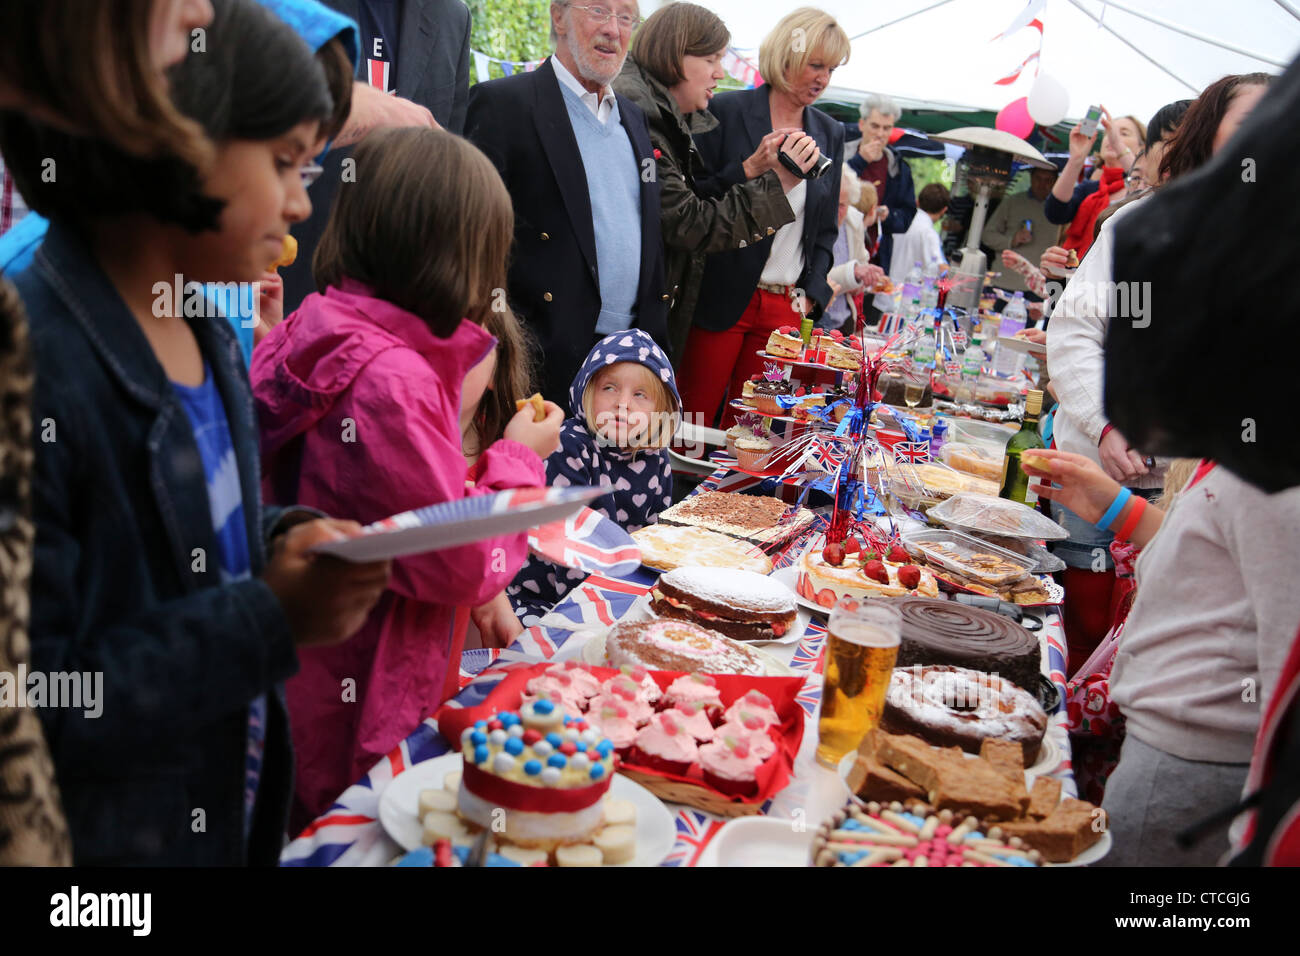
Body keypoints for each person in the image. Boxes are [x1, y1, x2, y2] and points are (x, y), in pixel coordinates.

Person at [1, 0, 391, 866]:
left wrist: (285, 540)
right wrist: (267, 619)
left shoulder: (208, 319)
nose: (299, 203)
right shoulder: (38, 356)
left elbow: (179, 536)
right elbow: (42, 700)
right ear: (177, 130)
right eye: (287, 162)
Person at [252, 127, 562, 830]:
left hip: (302, 674)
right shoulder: (395, 378)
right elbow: (456, 561)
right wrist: (518, 459)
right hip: (360, 692)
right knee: (348, 835)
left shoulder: (316, 321)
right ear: (461, 256)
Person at [1045, 76, 1271, 688]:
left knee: (1155, 655)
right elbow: (1076, 334)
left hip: (1203, 505)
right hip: (1103, 471)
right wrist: (1109, 420)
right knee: (1080, 636)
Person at [1021, 449, 1300, 865]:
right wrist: (1116, 508)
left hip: (1193, 763)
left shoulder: (1274, 475)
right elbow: (1213, 553)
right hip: (1170, 749)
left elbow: (1287, 678)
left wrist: (1258, 839)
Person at [465, 0, 668, 408]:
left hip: (628, 362)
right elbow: (471, 241)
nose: (613, 28)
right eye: (598, 10)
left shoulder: (634, 117)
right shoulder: (503, 104)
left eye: (626, 16)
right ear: (558, 17)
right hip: (534, 360)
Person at [613, 1, 821, 364]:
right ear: (676, 54)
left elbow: (685, 200)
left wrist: (749, 169)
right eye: (711, 59)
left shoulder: (659, 114)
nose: (720, 73)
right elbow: (688, 222)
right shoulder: (643, 116)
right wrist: (781, 182)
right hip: (641, 315)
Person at [679, 7, 850, 427]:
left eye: (830, 68)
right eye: (815, 64)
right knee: (692, 422)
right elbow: (697, 197)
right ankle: (681, 494)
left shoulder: (831, 131)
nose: (823, 78)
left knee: (756, 431)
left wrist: (812, 295)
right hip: (722, 295)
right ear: (786, 56)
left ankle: (737, 498)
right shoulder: (725, 110)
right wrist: (753, 169)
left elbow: (826, 230)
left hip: (786, 310)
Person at [279, 0, 473, 314]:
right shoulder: (289, 7)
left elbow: (450, 162)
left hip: (404, 294)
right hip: (294, 277)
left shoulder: (451, 16)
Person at [508, 329, 679, 626]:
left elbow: (655, 543)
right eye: (609, 388)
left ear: (660, 410)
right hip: (544, 597)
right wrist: (604, 612)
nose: (622, 403)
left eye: (640, 394)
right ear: (587, 391)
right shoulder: (569, 445)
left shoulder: (657, 458)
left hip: (618, 593)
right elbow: (567, 548)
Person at [1045, 108, 1145, 259]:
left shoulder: (1143, 186)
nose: (1112, 137)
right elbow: (1055, 213)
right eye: (1109, 133)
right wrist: (1076, 159)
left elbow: (1142, 185)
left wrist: (1117, 143)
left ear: (1142, 148)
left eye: (1123, 133)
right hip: (1074, 275)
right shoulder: (1091, 187)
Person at [847, 94, 917, 282]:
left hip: (875, 260)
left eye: (886, 128)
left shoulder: (898, 167)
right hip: (839, 251)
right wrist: (859, 161)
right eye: (875, 126)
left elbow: (907, 217)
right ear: (862, 125)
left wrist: (888, 216)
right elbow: (826, 190)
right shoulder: (841, 154)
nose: (880, 134)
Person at [820, 166, 881, 332]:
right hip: (815, 319)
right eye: (831, 203)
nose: (835, 212)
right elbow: (814, 281)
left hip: (843, 322)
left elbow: (861, 269)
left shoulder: (853, 221)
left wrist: (865, 277)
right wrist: (852, 273)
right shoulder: (812, 223)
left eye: (842, 205)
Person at [873, 181, 948, 317]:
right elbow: (940, 269)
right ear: (944, 210)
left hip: (881, 294)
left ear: (917, 201)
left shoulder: (899, 220)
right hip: (907, 303)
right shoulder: (929, 233)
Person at [981, 165, 1058, 298]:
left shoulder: (1062, 211)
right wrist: (1012, 240)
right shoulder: (1013, 202)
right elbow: (987, 235)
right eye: (1038, 178)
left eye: (1048, 180)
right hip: (1005, 282)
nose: (1042, 184)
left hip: (1039, 287)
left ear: (1056, 181)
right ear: (1031, 178)